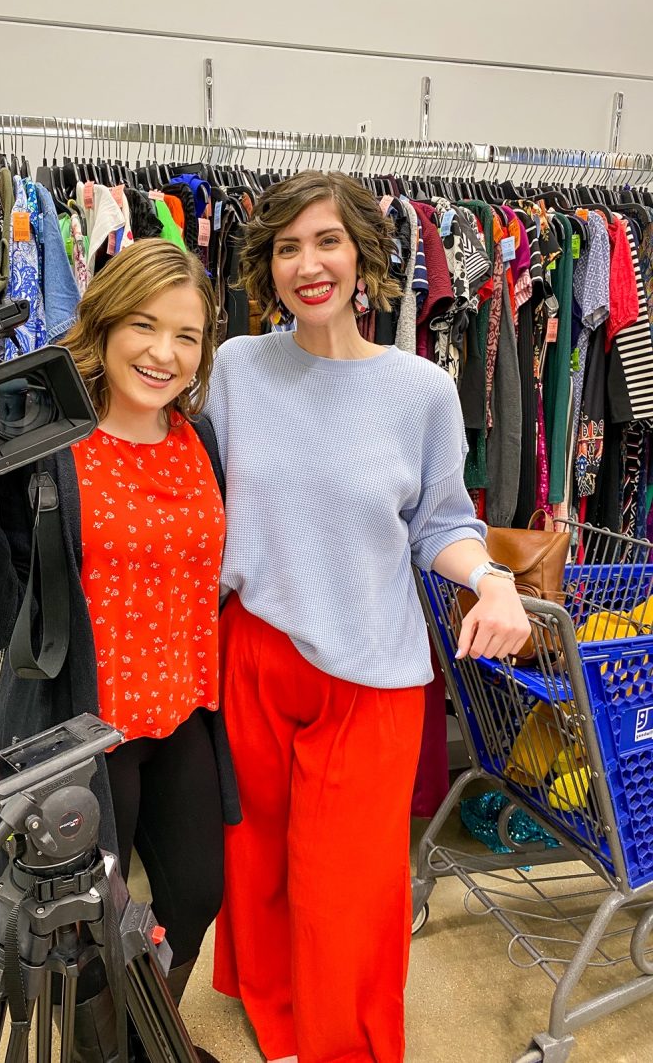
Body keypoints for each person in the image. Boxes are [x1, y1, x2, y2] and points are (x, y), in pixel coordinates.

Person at [205, 170, 531, 1063]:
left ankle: (341, 1047)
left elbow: (442, 522)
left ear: (364, 256)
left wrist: (492, 581)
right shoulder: (236, 369)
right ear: (265, 265)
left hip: (373, 673)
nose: (308, 264)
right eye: (287, 247)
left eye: (328, 241)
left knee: (348, 890)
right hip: (255, 653)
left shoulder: (420, 389)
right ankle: (274, 1017)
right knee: (259, 863)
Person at [0, 238, 235, 1063]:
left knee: (193, 895)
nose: (164, 352)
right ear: (105, 324)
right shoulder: (48, 442)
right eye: (145, 326)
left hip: (180, 709)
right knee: (81, 939)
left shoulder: (200, 440)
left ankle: (147, 1045)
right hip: (78, 725)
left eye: (187, 336)